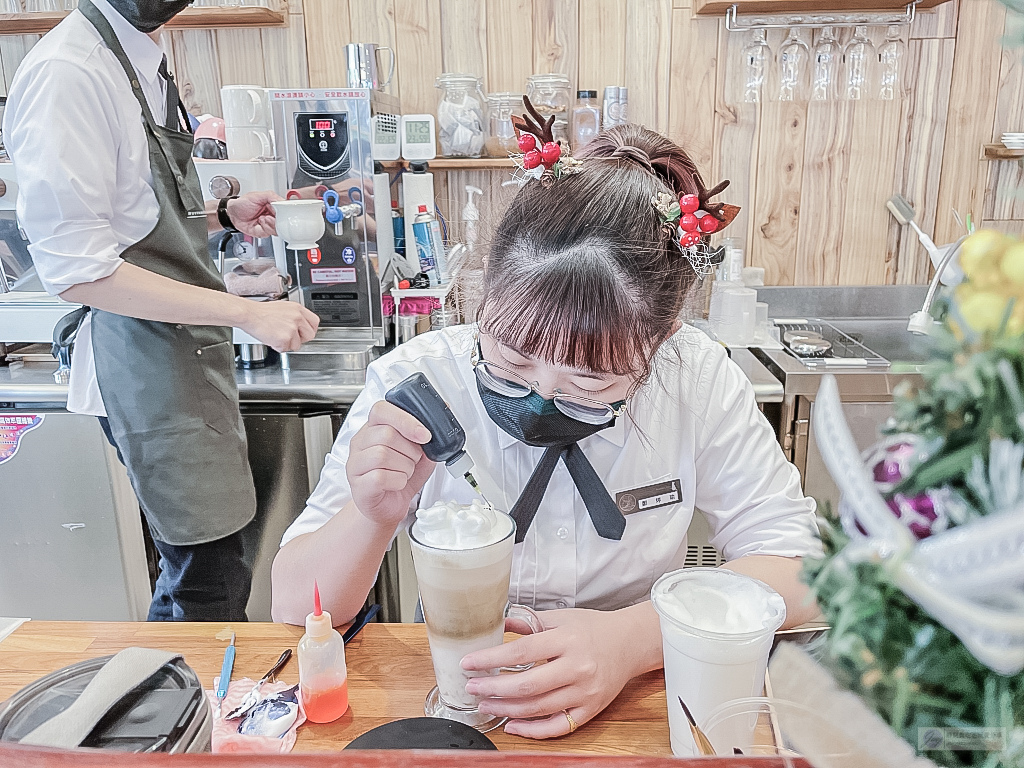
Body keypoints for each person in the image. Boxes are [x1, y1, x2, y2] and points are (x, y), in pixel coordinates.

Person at [271, 124, 822, 736]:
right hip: (459, 706)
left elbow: (802, 574)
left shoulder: (695, 380)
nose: (543, 395)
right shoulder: (417, 382)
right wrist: (371, 515)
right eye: (508, 361)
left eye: (590, 383)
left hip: (637, 710)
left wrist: (634, 638)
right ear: (485, 294)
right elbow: (294, 605)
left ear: (662, 341)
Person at [3, 0, 320, 621]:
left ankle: (185, 705)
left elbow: (131, 220)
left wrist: (221, 217)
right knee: (207, 582)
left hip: (181, 355)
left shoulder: (140, 60)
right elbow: (81, 268)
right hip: (143, 365)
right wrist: (247, 313)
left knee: (207, 573)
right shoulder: (71, 71)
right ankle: (186, 714)